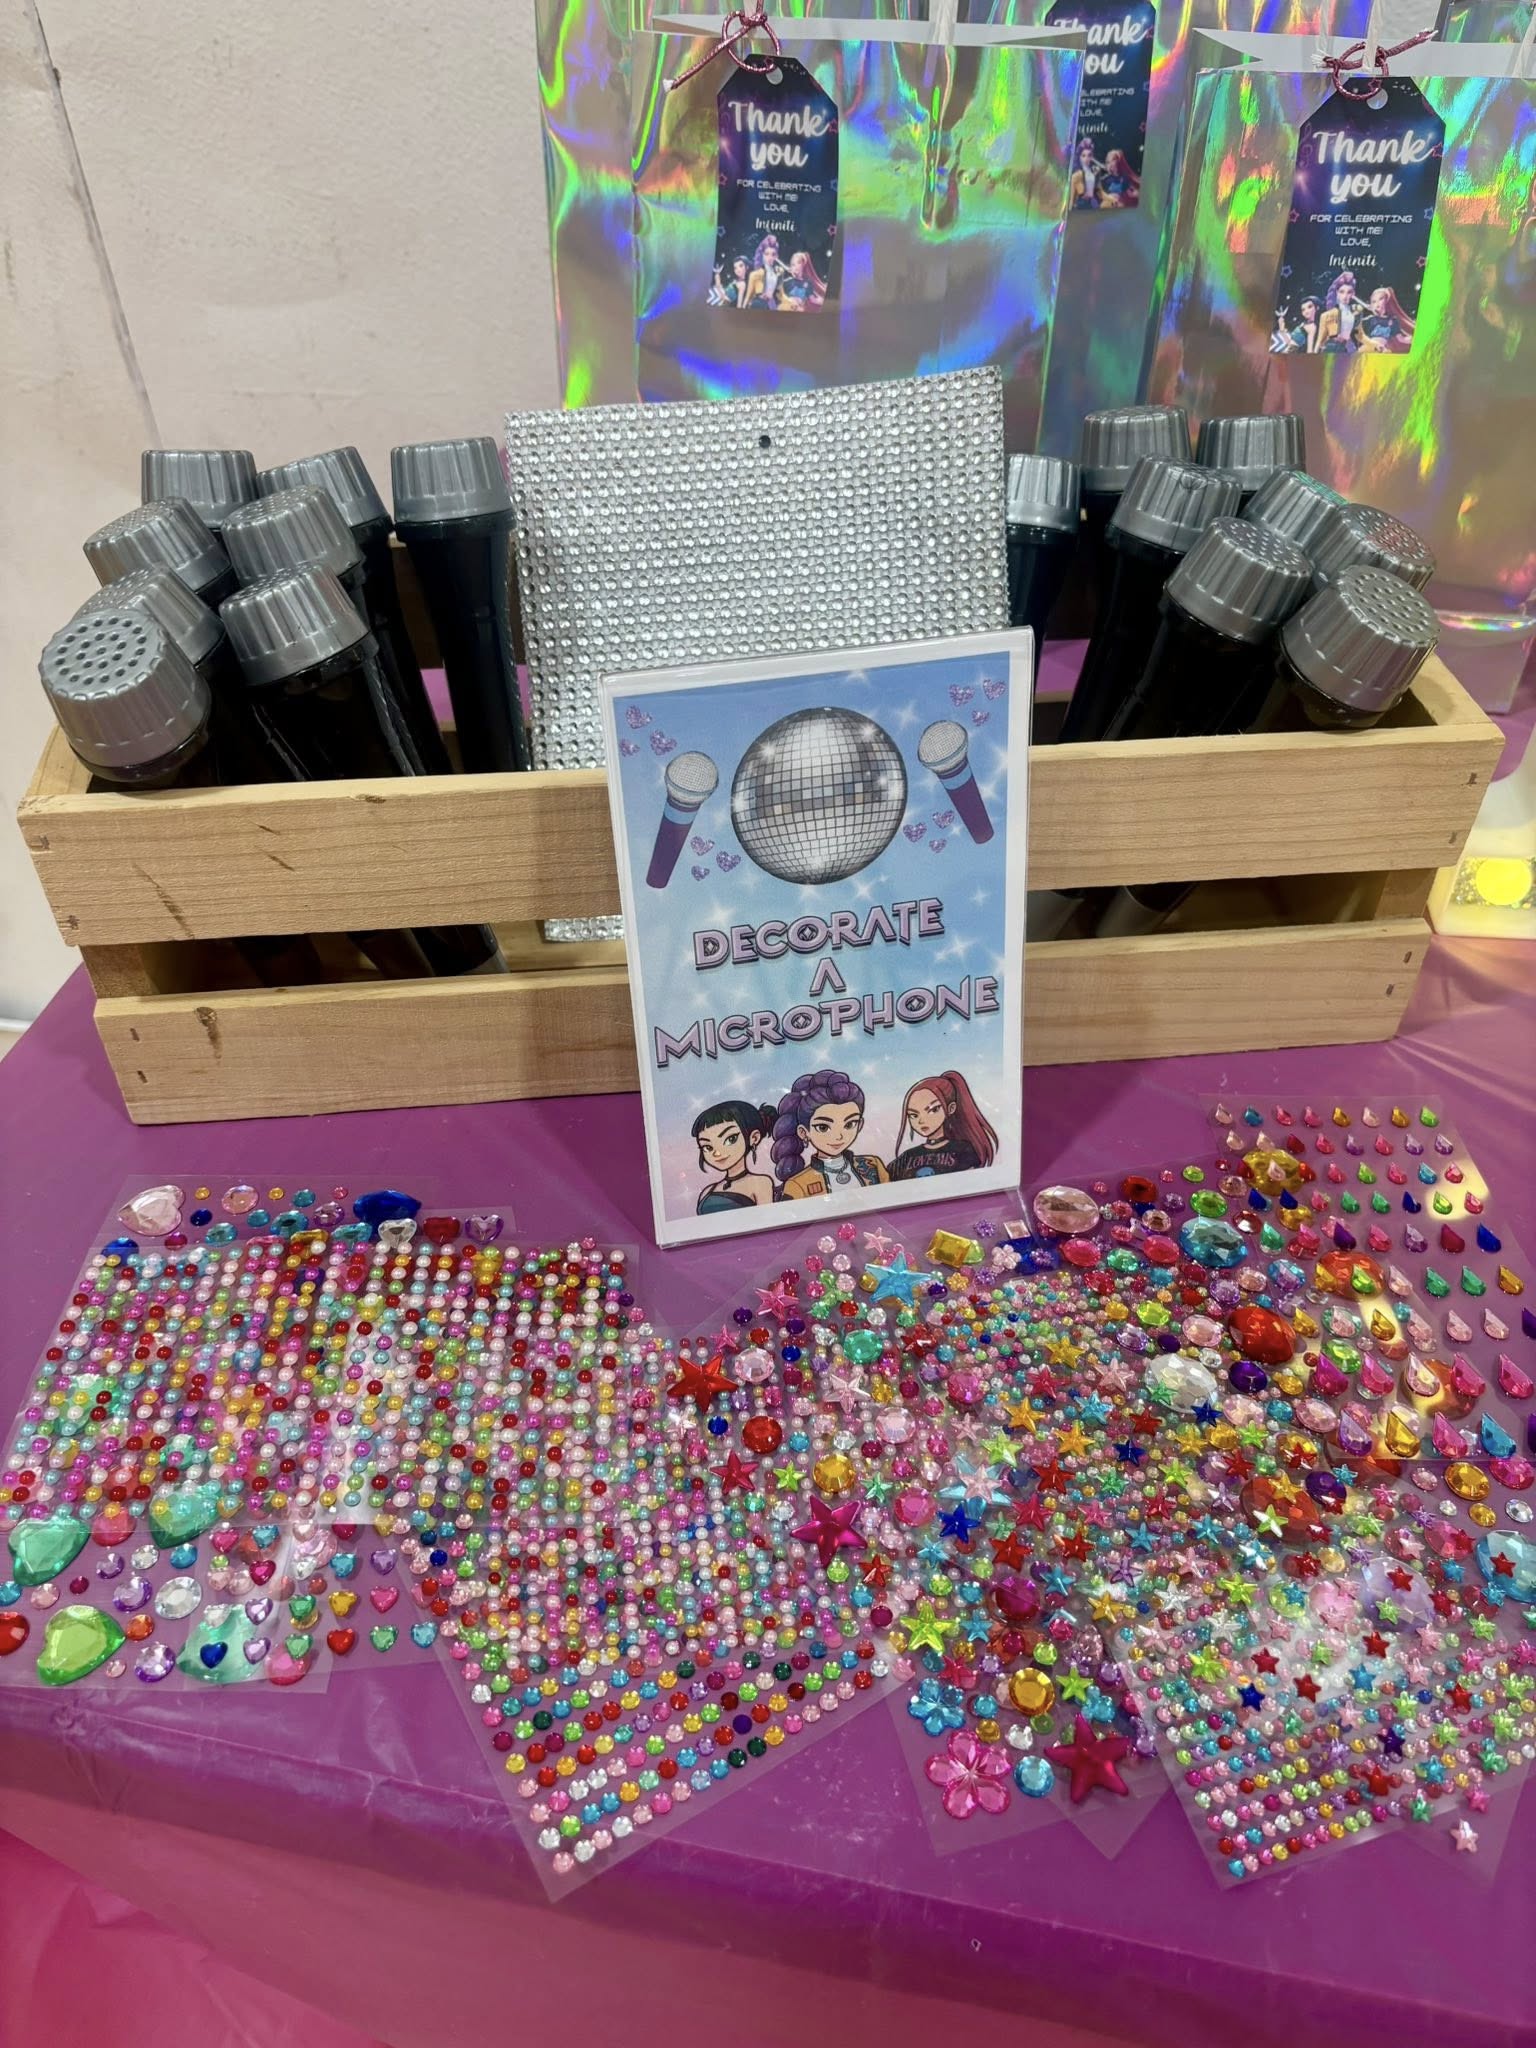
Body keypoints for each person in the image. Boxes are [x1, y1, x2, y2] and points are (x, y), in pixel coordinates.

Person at [772, 1071, 888, 1199]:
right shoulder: (798, 1184)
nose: (839, 1136)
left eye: (849, 1124)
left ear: (859, 1125)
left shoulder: (872, 1165)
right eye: (823, 1127)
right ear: (804, 1132)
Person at [889, 1071, 999, 1181]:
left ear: (951, 1108)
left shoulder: (963, 1150)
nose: (921, 1120)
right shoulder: (907, 1157)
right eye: (913, 1115)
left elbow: (968, 1183)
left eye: (933, 1110)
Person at [692, 1099, 777, 1213]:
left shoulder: (761, 1182)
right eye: (708, 1147)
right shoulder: (706, 1191)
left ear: (754, 1138)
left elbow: (768, 1219)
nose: (717, 1153)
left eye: (730, 1139)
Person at [1359, 285, 1415, 353]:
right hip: (1370, 347)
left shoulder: (1393, 321)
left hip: (1382, 349)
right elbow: (1356, 328)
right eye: (1374, 302)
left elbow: (1400, 339)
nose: (1377, 304)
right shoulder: (1370, 320)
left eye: (1380, 299)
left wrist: (1411, 340)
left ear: (1387, 301)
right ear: (1371, 305)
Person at [1317, 272, 1362, 353]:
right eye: (1342, 292)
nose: (1345, 296)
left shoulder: (1356, 312)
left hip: (1349, 348)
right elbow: (1320, 340)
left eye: (1349, 292)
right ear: (1337, 292)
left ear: (1353, 294)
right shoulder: (1328, 313)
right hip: (1332, 348)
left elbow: (1361, 336)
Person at [744, 234, 789, 310]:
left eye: (773, 254)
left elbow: (781, 294)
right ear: (762, 255)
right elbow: (748, 297)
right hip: (758, 307)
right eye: (767, 254)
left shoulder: (779, 271)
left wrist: (791, 302)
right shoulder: (755, 274)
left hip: (773, 306)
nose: (770, 258)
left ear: (776, 256)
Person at [1069, 138, 1105, 210]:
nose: (1086, 159)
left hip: (1094, 206)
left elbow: (1101, 193)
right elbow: (1071, 201)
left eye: (1089, 155)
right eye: (1083, 155)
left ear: (1092, 157)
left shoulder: (1095, 171)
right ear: (1079, 157)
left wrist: (1112, 199)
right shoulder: (1076, 176)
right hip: (1081, 208)